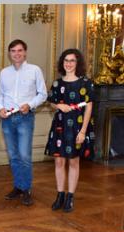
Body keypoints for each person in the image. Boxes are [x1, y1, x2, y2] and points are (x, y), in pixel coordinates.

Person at [0, 39, 47, 206]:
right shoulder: (4, 72)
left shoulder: (35, 70)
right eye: (13, 51)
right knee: (13, 156)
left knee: (24, 156)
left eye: (19, 50)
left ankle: (26, 189)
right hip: (7, 119)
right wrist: (0, 108)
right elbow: (1, 95)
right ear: (9, 54)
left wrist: (30, 105)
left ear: (25, 52)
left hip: (25, 118)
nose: (16, 54)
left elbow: (42, 94)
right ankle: (18, 186)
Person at [44, 48, 95, 212]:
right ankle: (60, 195)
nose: (69, 63)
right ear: (62, 62)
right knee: (59, 161)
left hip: (77, 127)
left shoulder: (86, 83)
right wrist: (59, 105)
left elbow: (89, 108)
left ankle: (70, 197)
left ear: (77, 62)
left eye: (72, 60)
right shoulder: (58, 83)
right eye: (66, 60)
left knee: (74, 161)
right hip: (60, 126)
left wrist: (83, 132)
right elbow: (52, 102)